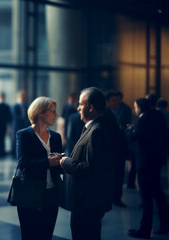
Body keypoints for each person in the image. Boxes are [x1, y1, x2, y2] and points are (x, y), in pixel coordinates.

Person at [60, 87, 115, 240]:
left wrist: (65, 162)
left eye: (81, 104)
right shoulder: (95, 127)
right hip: (88, 201)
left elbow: (90, 168)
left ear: (90, 107)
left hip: (87, 201)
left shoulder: (96, 131)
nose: (77, 108)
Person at [8, 97, 63, 240]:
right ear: (40, 113)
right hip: (30, 193)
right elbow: (23, 164)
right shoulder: (24, 134)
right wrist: (47, 162)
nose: (56, 115)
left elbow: (57, 166)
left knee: (47, 235)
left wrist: (64, 162)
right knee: (29, 235)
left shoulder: (56, 137)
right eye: (53, 111)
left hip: (51, 194)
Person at [126, 98, 169, 239]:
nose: (135, 110)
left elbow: (136, 137)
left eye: (135, 107)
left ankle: (145, 230)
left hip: (144, 163)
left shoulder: (143, 119)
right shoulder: (158, 115)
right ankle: (165, 225)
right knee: (158, 194)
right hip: (156, 161)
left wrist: (129, 131)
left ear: (139, 107)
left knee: (146, 198)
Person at [11, 90, 31, 158]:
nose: (25, 97)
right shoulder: (15, 106)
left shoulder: (27, 106)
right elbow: (16, 117)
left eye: (25, 96)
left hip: (25, 127)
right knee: (16, 143)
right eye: (23, 96)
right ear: (19, 96)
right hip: (17, 127)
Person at [0, 92, 12, 157]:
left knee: (3, 139)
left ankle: (2, 152)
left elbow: (9, 117)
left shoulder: (5, 106)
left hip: (4, 125)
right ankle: (0, 152)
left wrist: (8, 127)